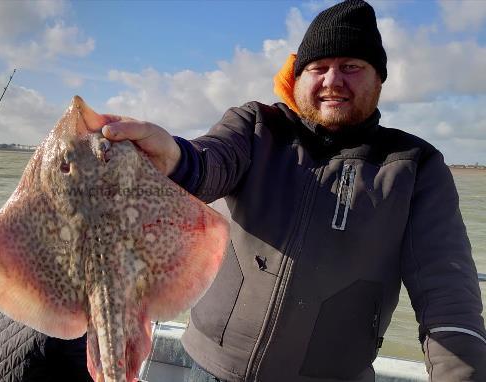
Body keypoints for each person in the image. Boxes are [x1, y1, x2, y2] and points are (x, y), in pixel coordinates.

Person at [95, 0, 486, 381]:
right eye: (319, 67)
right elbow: (210, 162)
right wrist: (175, 158)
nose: (333, 81)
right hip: (210, 367)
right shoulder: (257, 127)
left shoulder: (415, 165)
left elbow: (447, 292)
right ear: (298, 77)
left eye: (351, 67)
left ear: (378, 78)